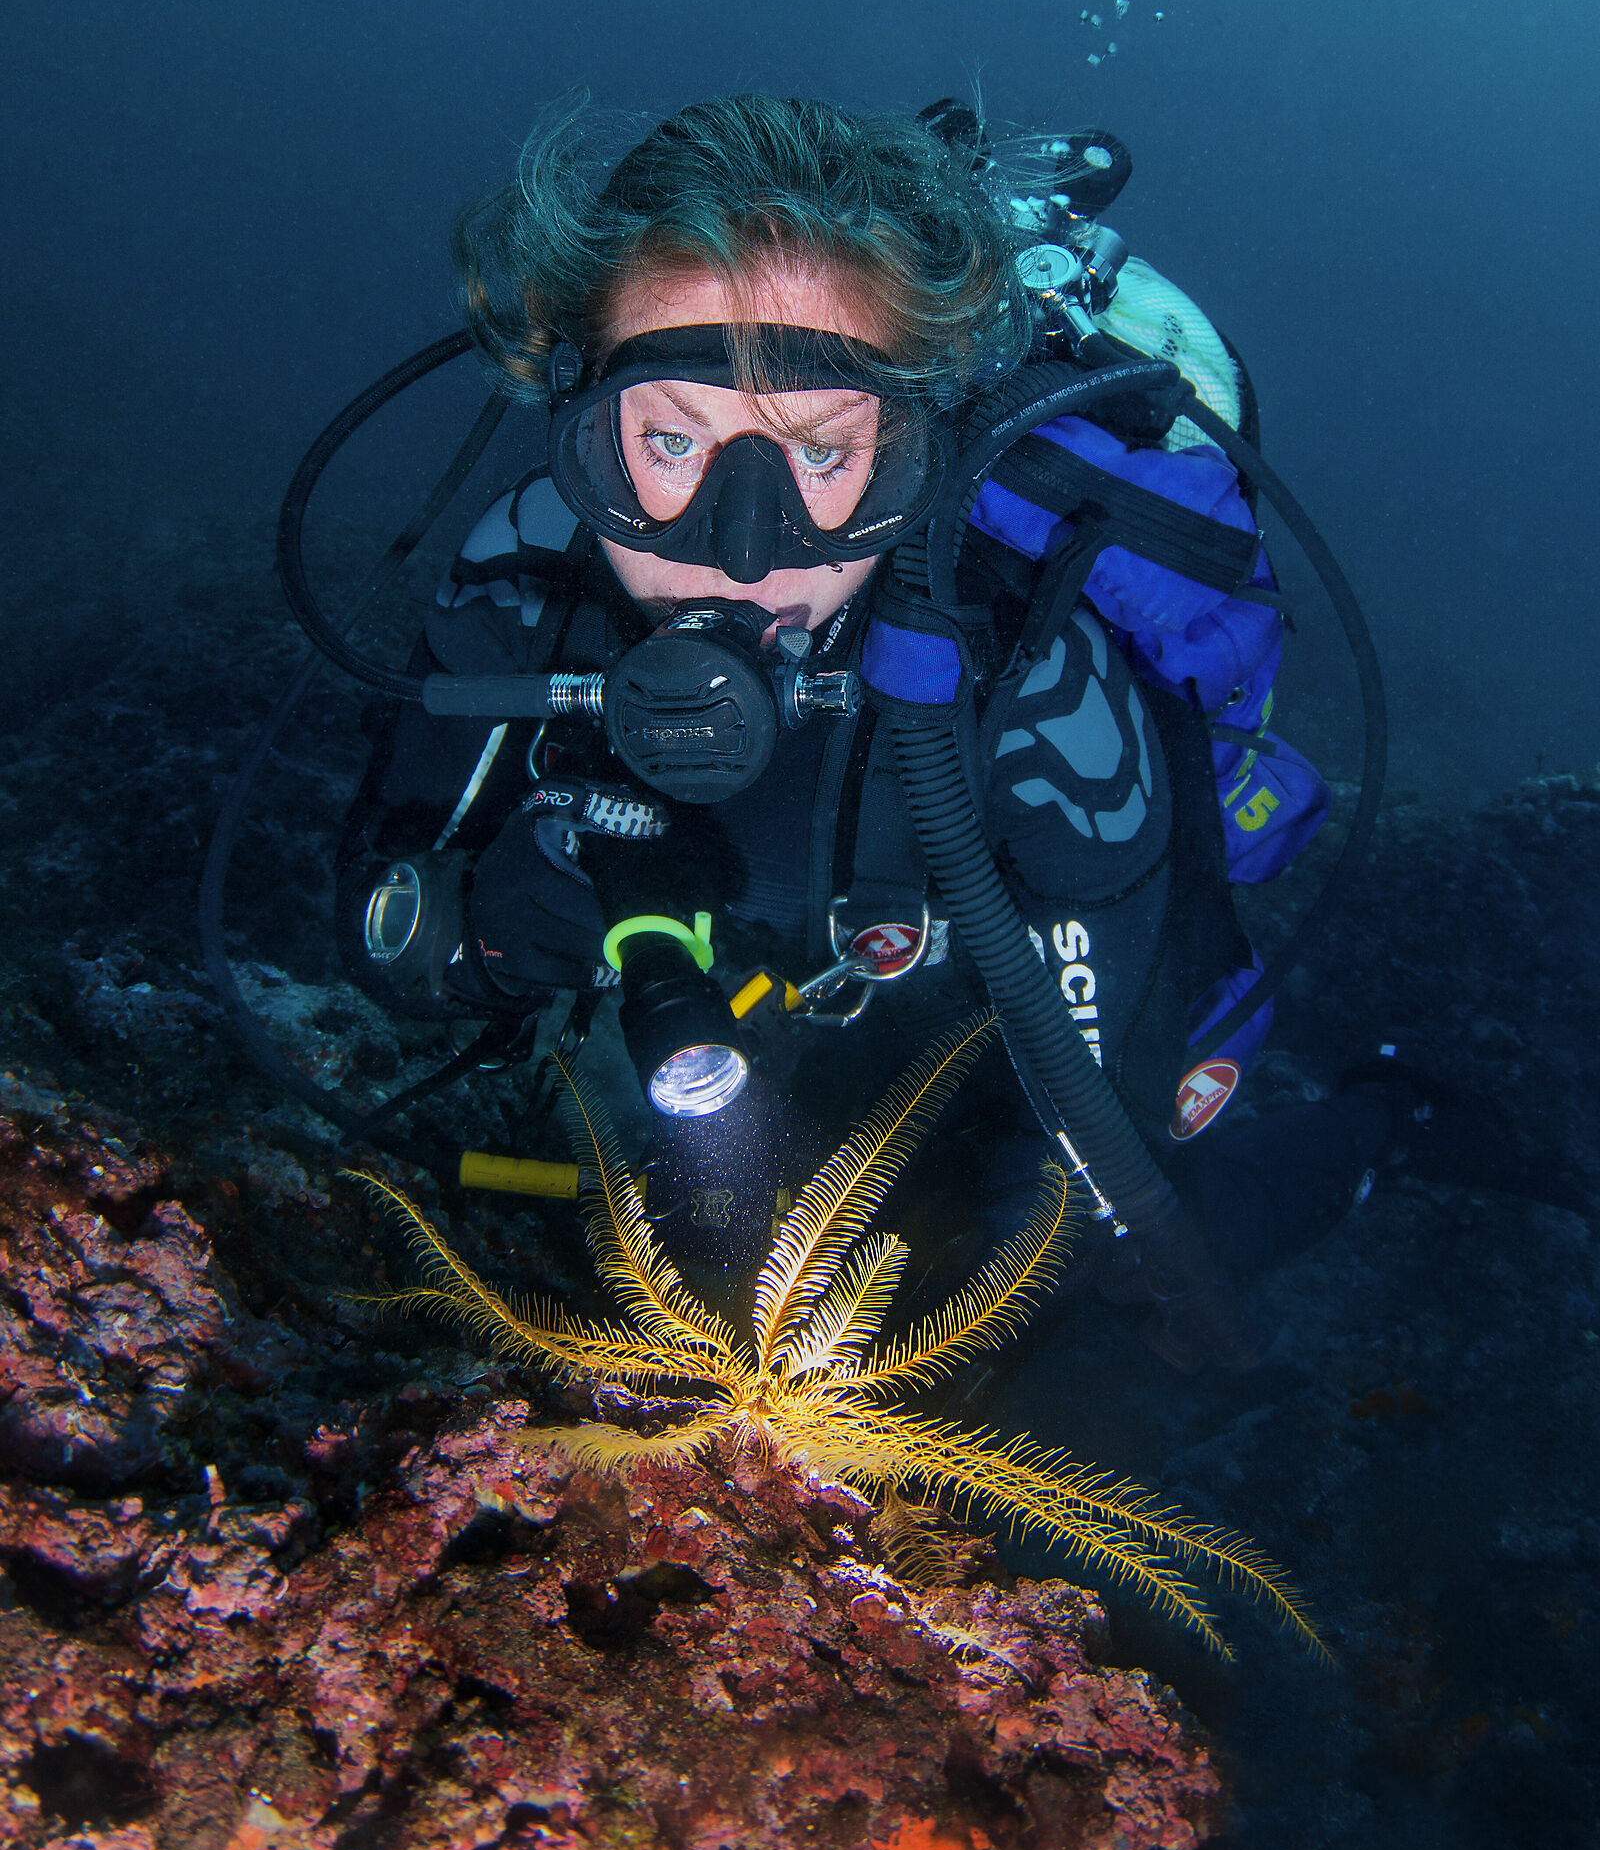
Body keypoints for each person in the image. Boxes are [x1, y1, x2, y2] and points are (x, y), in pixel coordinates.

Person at [335, 94, 1401, 1365]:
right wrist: (507, 919)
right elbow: (384, 938)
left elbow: (1107, 1126)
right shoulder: (525, 586)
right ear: (578, 412)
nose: (739, 553)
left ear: (918, 449)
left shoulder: (1031, 685)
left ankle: (1393, 1119)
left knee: (1123, 1298)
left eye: (823, 454)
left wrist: (957, 1265)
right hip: (697, 1096)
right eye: (671, 440)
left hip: (948, 1107)